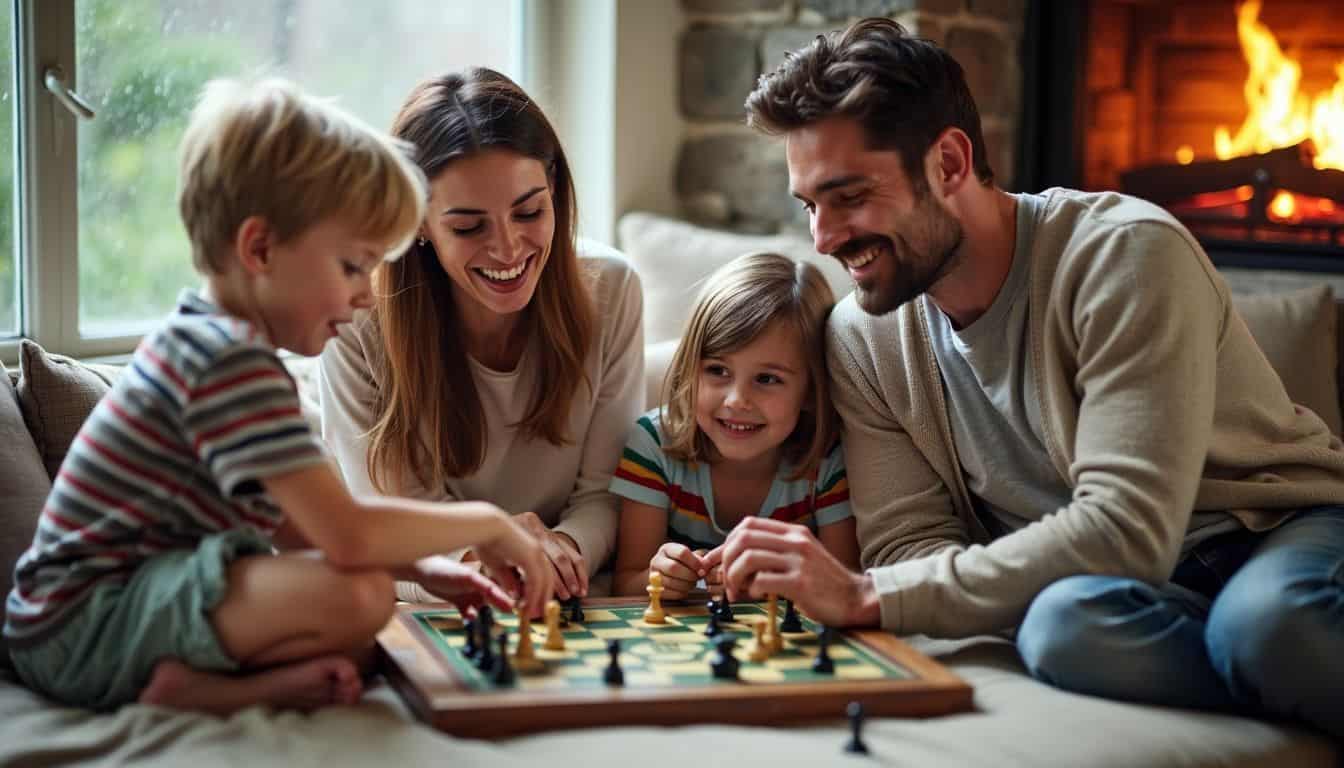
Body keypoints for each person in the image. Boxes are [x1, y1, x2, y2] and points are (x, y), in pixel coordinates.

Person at [717, 17, 1344, 737]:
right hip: (1114, 595)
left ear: (949, 164)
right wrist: (893, 586)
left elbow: (1124, 528)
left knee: (1271, 628)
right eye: (810, 207)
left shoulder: (1123, 255)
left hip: (1271, 531)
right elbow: (909, 543)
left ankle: (1271, 654)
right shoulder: (863, 338)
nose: (823, 239)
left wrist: (862, 595)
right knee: (1061, 632)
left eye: (850, 196)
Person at [2, 79, 554, 716]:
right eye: (352, 267)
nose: (368, 296)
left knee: (377, 642)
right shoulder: (228, 363)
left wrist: (429, 570)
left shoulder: (216, 346)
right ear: (259, 249)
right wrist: (487, 523)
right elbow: (345, 535)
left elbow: (299, 529)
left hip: (109, 615)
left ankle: (199, 689)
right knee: (365, 600)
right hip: (80, 624)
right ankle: (189, 688)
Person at [319, 68, 644, 603]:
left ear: (555, 190)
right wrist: (484, 556)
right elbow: (386, 531)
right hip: (445, 592)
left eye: (530, 211)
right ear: (418, 222)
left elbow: (607, 494)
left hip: (563, 583)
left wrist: (561, 548)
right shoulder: (354, 317)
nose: (509, 249)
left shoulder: (613, 289)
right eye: (469, 227)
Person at [609, 252, 858, 599]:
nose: (737, 400)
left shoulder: (828, 460)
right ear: (690, 367)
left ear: (811, 391)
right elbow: (627, 582)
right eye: (717, 371)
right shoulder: (653, 443)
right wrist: (661, 577)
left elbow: (846, 585)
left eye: (767, 378)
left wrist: (776, 579)